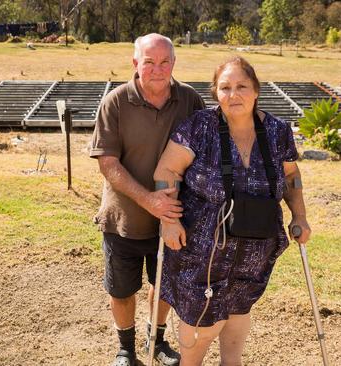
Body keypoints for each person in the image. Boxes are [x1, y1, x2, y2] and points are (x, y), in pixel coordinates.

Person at [153, 56, 311, 365]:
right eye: (225, 87)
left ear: (256, 91)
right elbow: (165, 173)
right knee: (200, 317)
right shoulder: (199, 127)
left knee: (239, 308)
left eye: (241, 86)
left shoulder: (277, 131)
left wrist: (300, 216)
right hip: (200, 250)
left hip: (255, 248)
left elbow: (292, 176)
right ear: (215, 92)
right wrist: (168, 221)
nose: (233, 95)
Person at [89, 33, 205, 366]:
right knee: (122, 289)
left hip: (172, 218)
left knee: (164, 284)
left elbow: (202, 153)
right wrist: (148, 200)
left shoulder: (189, 100)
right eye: (149, 62)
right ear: (135, 63)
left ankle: (156, 340)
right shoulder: (115, 102)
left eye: (164, 61)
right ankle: (125, 348)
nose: (157, 69)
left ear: (174, 63)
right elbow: (107, 162)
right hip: (123, 217)